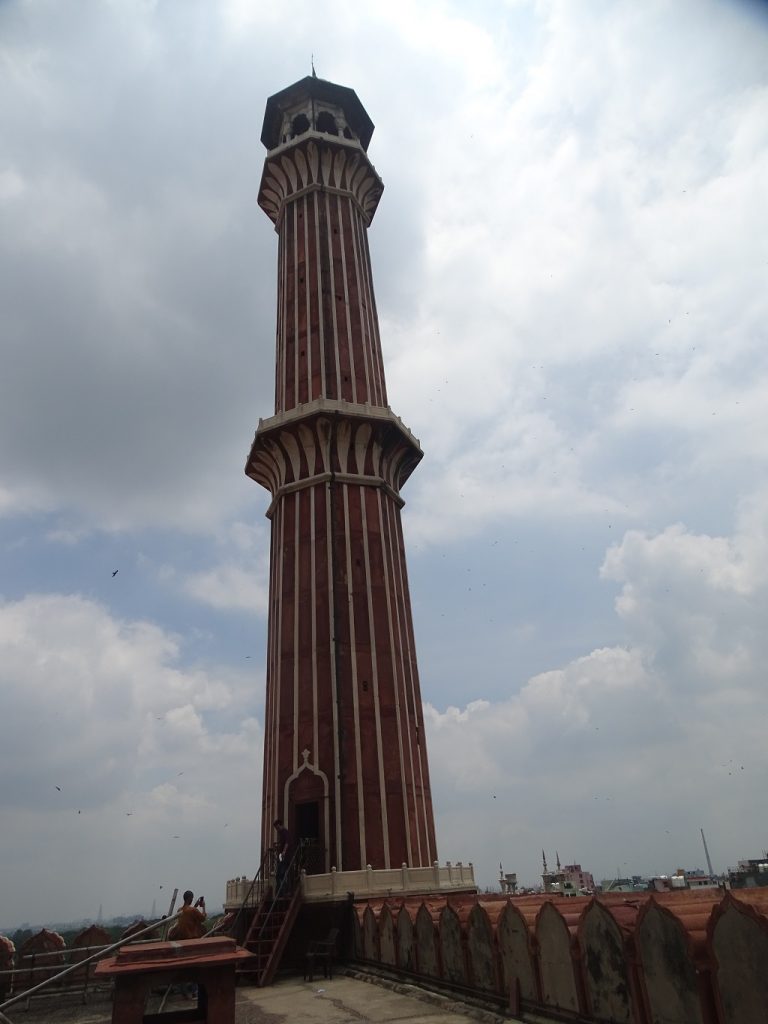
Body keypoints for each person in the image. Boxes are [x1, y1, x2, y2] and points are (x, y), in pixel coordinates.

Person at [273, 818, 289, 892]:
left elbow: (287, 843)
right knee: (278, 875)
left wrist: (284, 852)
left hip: (285, 856)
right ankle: (280, 890)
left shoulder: (285, 832)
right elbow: (282, 843)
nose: (277, 829)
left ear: (280, 825)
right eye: (276, 828)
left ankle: (284, 890)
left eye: (277, 827)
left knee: (282, 873)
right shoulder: (280, 833)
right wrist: (277, 846)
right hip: (281, 857)